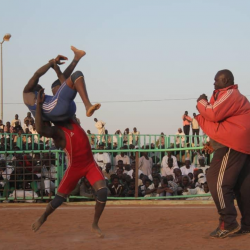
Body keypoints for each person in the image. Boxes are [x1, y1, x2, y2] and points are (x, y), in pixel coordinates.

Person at [31, 89, 107, 238]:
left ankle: (95, 224)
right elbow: (40, 129)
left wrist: (57, 69)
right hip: (75, 168)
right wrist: (39, 105)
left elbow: (66, 89)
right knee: (59, 199)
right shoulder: (57, 131)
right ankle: (43, 216)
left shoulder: (72, 118)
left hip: (90, 164)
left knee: (103, 192)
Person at [195, 69, 250, 238]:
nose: (214, 84)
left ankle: (229, 222)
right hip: (242, 144)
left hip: (233, 143)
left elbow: (213, 113)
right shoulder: (235, 99)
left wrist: (201, 102)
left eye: (216, 81)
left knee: (215, 180)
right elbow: (224, 121)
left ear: (225, 81)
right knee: (242, 185)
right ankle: (247, 224)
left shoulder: (230, 93)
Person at [23, 46, 100, 122]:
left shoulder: (39, 104)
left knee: (56, 84)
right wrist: (51, 63)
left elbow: (64, 86)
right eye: (38, 86)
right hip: (58, 108)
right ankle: (87, 105)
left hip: (64, 109)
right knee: (77, 75)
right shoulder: (27, 92)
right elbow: (37, 75)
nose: (40, 86)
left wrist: (56, 67)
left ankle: (76, 58)